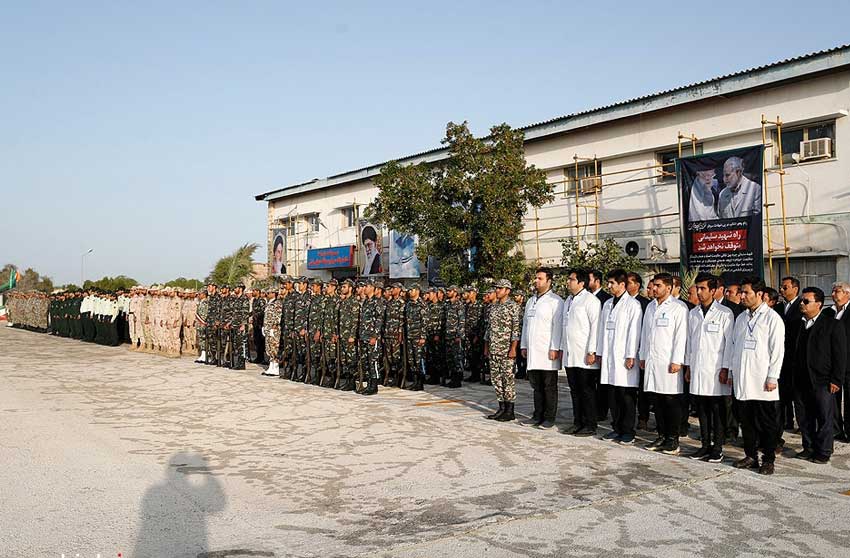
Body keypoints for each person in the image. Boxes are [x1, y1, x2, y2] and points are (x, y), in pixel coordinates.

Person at [727, 276, 785, 475]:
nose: (742, 296)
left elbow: (777, 351)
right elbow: (733, 347)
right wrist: (732, 372)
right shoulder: (742, 318)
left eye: (746, 292)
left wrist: (772, 377)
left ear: (760, 294)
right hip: (743, 380)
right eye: (741, 292)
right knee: (747, 422)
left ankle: (768, 459)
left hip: (762, 381)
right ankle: (751, 455)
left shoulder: (772, 318)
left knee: (767, 424)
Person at [684, 273, 735, 463]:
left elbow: (729, 343)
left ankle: (718, 447)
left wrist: (725, 368)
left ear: (713, 291)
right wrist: (688, 366)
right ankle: (705, 445)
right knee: (702, 410)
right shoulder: (693, 313)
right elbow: (690, 342)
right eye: (697, 288)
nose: (699, 291)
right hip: (698, 369)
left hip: (716, 371)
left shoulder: (724, 313)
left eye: (703, 288)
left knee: (717, 410)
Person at [792, 287, 846, 464]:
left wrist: (836, 379)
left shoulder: (832, 325)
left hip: (822, 380)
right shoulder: (798, 324)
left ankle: (823, 450)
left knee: (824, 417)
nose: (802, 304)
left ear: (819, 304)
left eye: (806, 301)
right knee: (804, 416)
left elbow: (840, 355)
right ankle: (808, 447)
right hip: (800, 379)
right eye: (802, 300)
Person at [639, 273, 688, 455]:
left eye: (658, 286)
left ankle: (672, 439)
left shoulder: (678, 308)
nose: (654, 289)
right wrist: (642, 356)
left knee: (670, 400)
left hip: (669, 362)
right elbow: (645, 334)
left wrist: (677, 360)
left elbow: (681, 336)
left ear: (668, 287)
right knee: (657, 400)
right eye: (653, 285)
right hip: (652, 361)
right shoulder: (651, 307)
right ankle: (661, 435)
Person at [596, 268, 643, 444]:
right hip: (609, 356)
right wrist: (599, 352)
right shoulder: (608, 304)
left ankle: (628, 431)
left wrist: (631, 355)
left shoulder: (633, 305)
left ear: (622, 284)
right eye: (608, 283)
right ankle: (616, 427)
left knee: (626, 396)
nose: (609, 286)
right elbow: (602, 330)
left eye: (612, 283)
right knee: (613, 395)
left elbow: (634, 332)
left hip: (624, 357)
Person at [520, 267, 564, 429]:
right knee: (536, 386)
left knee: (549, 386)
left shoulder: (556, 301)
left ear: (549, 281)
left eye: (540, 278)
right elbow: (525, 325)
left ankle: (549, 417)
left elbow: (558, 326)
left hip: (547, 352)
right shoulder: (531, 301)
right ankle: (537, 414)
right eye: (536, 278)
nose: (536, 281)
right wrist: (524, 345)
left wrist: (555, 348)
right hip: (532, 351)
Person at [560, 269, 601, 436]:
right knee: (574, 391)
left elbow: (595, 327)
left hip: (585, 355)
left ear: (581, 283)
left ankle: (590, 424)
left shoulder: (591, 301)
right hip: (571, 354)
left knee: (587, 392)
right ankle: (578, 422)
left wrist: (592, 350)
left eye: (571, 279)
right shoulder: (568, 300)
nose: (568, 282)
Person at [779, 276, 802, 435]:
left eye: (785, 287)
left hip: (796, 357)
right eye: (781, 287)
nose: (782, 290)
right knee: (783, 393)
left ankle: (802, 423)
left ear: (795, 289)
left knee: (798, 396)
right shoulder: (779, 307)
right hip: (781, 357)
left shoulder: (802, 306)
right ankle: (786, 420)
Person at [829, 281, 850, 441]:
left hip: (848, 363)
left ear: (847, 293)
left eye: (838, 291)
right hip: (832, 364)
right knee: (833, 399)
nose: (834, 294)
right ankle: (836, 429)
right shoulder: (828, 312)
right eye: (833, 291)